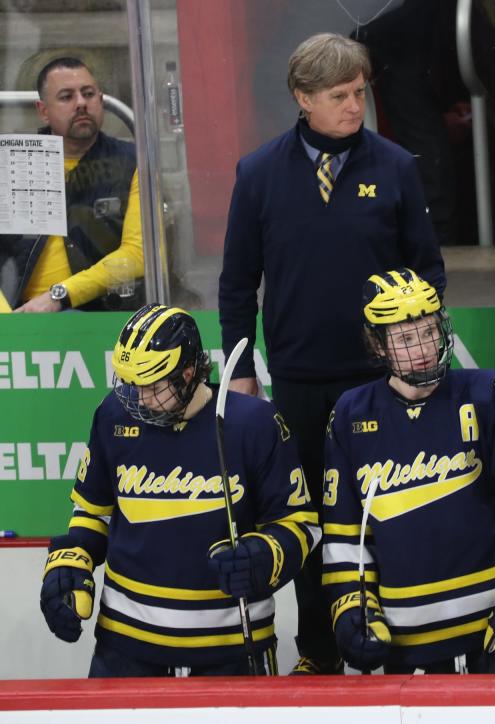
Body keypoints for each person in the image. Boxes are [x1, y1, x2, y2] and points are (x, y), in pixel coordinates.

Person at [218, 32, 445, 674]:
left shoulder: (396, 166)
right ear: (302, 98)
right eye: (340, 95)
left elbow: (428, 272)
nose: (355, 106)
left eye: (360, 92)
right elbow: (237, 287)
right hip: (297, 381)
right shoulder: (258, 173)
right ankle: (317, 652)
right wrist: (240, 377)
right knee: (312, 522)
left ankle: (399, 645)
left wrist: (413, 356)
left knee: (390, 513)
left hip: (382, 380)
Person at [39, 304, 320, 676]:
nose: (139, 399)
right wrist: (68, 563)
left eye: (153, 386)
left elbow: (302, 525)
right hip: (125, 648)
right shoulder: (113, 416)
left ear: (188, 373)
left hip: (232, 649)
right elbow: (92, 512)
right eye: (131, 383)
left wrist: (262, 557)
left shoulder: (254, 425)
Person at [321, 269, 495, 673]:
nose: (423, 349)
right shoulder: (350, 414)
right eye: (405, 339)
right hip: (406, 651)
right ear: (377, 345)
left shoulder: (492, 394)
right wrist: (351, 607)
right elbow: (345, 532)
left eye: (430, 331)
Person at [0, 57, 143, 312]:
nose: (81, 104)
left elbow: (139, 254)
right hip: (19, 317)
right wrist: (8, 322)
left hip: (100, 314)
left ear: (100, 101)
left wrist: (60, 296)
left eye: (88, 94)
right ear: (43, 111)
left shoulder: (134, 162)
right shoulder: (14, 162)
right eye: (66, 97)